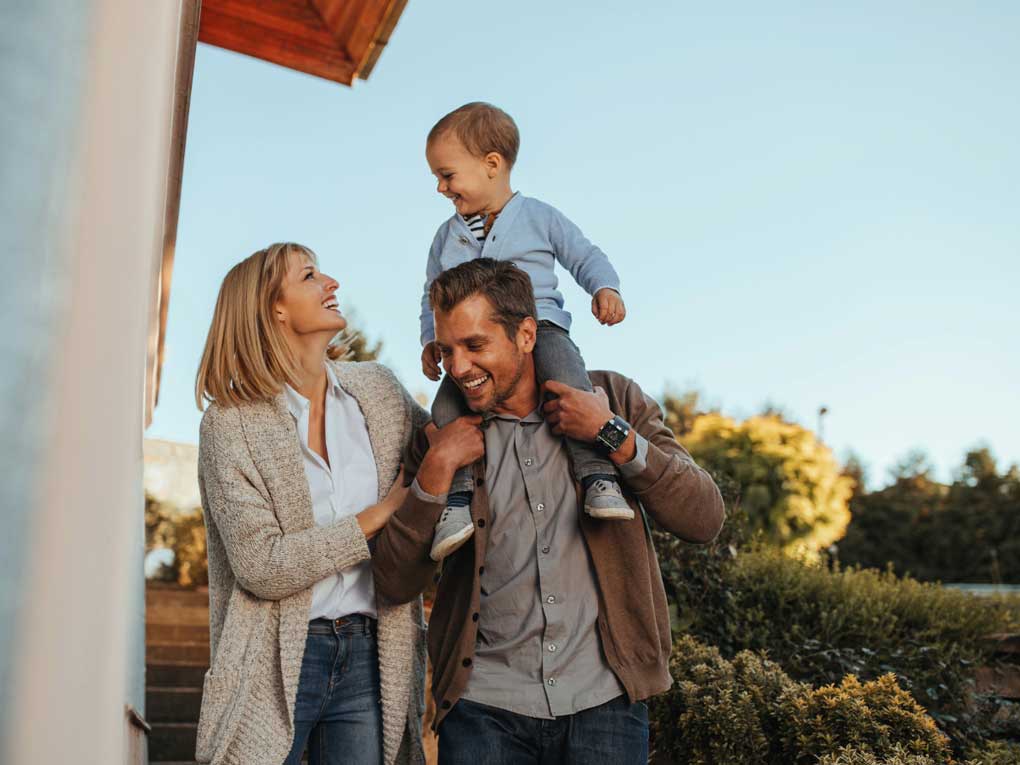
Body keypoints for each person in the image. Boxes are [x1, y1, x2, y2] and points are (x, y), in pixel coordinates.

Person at [374, 258, 726, 764]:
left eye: (476, 346)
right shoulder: (439, 438)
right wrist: (436, 469)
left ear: (525, 334)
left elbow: (704, 517)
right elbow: (392, 581)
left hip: (605, 702)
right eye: (447, 350)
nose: (459, 368)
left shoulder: (614, 399)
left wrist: (612, 435)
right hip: (482, 712)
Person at [193, 242, 428, 765]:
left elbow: (443, 444)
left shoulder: (379, 390)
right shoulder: (231, 424)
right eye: (310, 276)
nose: (331, 283)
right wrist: (380, 513)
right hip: (275, 657)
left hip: (372, 650)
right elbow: (261, 566)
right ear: (274, 307)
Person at [419, 101, 632, 562]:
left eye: (447, 175)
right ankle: (454, 502)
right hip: (474, 353)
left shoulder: (539, 216)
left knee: (568, 386)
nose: (440, 187)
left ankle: (599, 476)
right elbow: (431, 295)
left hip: (546, 326)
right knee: (446, 408)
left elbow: (583, 254)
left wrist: (605, 287)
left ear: (491, 164)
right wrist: (429, 341)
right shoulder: (446, 236)